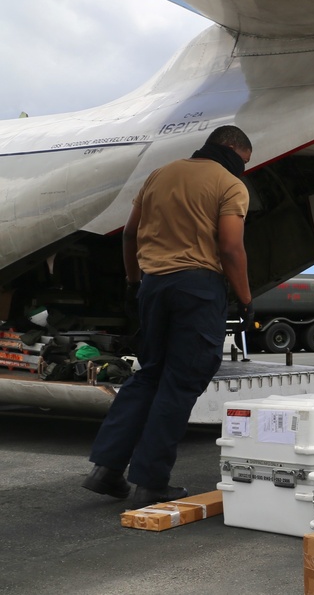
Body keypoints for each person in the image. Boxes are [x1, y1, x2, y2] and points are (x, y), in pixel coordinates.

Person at [82, 125, 255, 507]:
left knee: (149, 376)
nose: (242, 169)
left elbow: (129, 234)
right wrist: (245, 298)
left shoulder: (159, 175)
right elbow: (230, 247)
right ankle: (150, 482)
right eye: (244, 161)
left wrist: (132, 282)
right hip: (197, 287)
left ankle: (107, 470)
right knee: (181, 382)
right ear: (233, 150)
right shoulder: (230, 185)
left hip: (154, 285)